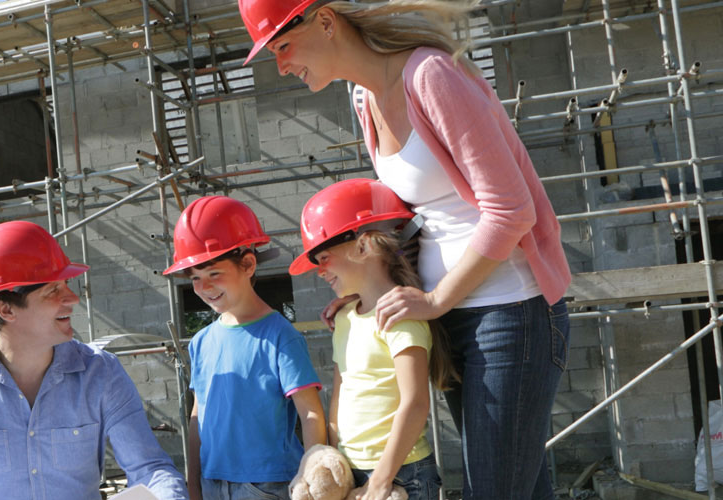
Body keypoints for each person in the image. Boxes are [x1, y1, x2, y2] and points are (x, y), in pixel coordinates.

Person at [237, 0, 573, 497]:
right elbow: (414, 224)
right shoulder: (363, 99)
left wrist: (436, 300)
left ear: (326, 21)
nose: (280, 65)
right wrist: (369, 293)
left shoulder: (430, 75)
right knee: (521, 486)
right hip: (454, 313)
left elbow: (511, 210)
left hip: (508, 311)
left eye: (283, 45)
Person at [0, 220, 184, 499]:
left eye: (67, 284)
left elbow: (149, 470)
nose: (73, 298)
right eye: (53, 291)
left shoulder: (101, 373)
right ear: (7, 310)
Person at [290, 179, 460, 500]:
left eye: (323, 257)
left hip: (401, 474)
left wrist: (381, 480)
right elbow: (339, 396)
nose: (319, 270)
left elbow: (415, 403)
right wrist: (330, 455)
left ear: (363, 246)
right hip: (350, 471)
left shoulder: (401, 316)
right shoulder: (344, 318)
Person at [164, 196, 327, 500]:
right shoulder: (201, 342)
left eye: (214, 273)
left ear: (248, 264)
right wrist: (194, 483)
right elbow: (197, 417)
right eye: (196, 278)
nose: (204, 287)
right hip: (213, 482)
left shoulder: (280, 335)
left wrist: (309, 480)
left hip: (268, 485)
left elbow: (311, 415)